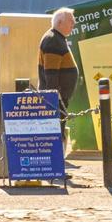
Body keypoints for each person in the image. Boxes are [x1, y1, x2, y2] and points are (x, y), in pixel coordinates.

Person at [38, 8, 78, 139]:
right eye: (71, 21)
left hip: (59, 96)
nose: (74, 24)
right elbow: (51, 73)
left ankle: (58, 154)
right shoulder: (53, 41)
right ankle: (57, 157)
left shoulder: (57, 38)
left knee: (57, 128)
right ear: (60, 22)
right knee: (55, 130)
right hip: (56, 98)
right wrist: (54, 98)